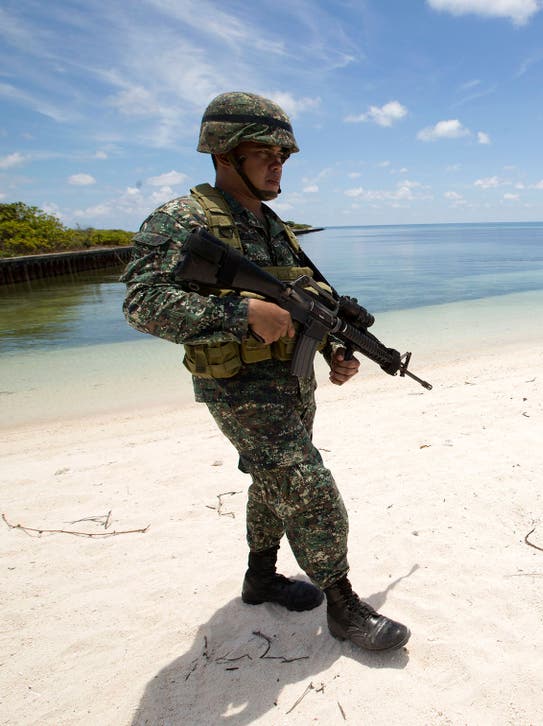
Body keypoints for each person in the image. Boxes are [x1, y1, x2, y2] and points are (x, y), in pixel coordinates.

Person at [121, 91, 410, 652]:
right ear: (226, 154)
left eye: (284, 154)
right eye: (266, 153)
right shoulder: (182, 218)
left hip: (291, 385)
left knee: (272, 482)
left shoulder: (276, 227)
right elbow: (141, 305)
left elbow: (306, 306)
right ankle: (344, 605)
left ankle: (261, 578)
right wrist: (241, 312)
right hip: (238, 386)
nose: (279, 163)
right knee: (306, 485)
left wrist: (333, 353)